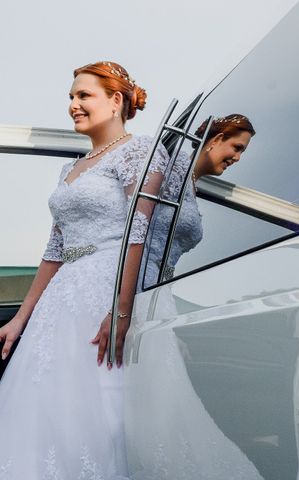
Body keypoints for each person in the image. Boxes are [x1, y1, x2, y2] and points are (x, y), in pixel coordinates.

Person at [0, 61, 167, 479]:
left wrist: (121, 309)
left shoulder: (140, 151)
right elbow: (55, 248)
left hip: (107, 287)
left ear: (116, 101)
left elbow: (138, 233)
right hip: (62, 298)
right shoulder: (70, 168)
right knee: (51, 406)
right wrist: (21, 316)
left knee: (103, 405)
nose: (73, 105)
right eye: (71, 98)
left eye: (83, 95)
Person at [141, 114, 255, 287]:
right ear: (217, 139)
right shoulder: (173, 167)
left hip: (158, 285)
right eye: (237, 148)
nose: (237, 158)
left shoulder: (191, 186)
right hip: (138, 276)